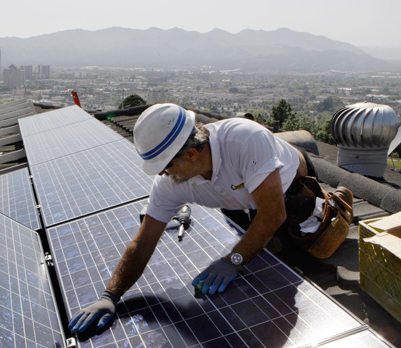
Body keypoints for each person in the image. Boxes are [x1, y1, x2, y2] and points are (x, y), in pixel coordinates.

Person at [69, 103, 352, 334]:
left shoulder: (243, 140)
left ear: (191, 155)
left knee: (300, 253)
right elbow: (143, 242)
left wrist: (233, 260)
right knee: (253, 248)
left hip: (290, 191)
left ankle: (329, 202)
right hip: (239, 201)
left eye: (165, 167)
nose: (161, 174)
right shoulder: (171, 182)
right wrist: (110, 296)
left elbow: (273, 213)